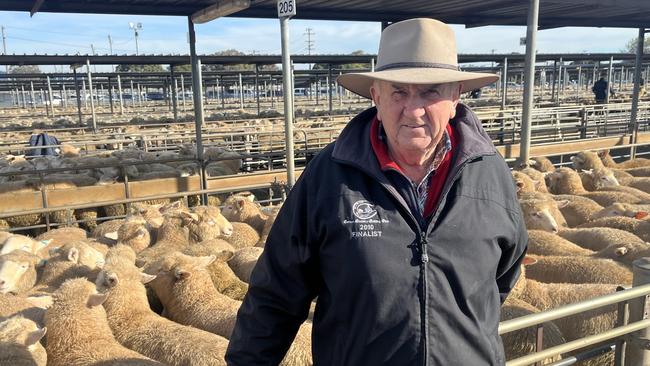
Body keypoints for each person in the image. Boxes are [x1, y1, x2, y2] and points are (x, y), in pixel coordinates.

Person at [225, 18, 528, 366]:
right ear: (376, 97)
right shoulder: (328, 178)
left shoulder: (490, 173)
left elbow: (502, 275)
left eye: (431, 91)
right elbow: (276, 293)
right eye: (399, 91)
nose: (413, 110)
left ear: (455, 97)